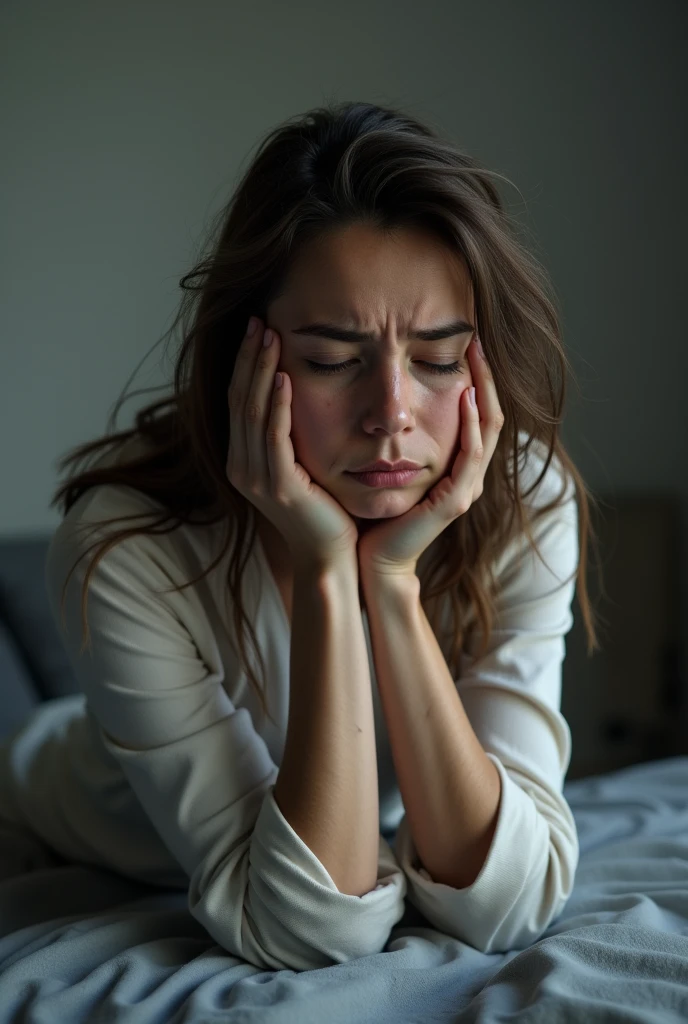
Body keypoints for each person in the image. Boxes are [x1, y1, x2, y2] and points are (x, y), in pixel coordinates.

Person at [0, 100, 601, 972]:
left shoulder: (528, 503)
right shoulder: (125, 548)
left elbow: (510, 903)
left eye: (437, 359)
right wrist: (328, 570)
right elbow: (314, 930)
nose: (391, 415)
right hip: (46, 828)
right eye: (331, 359)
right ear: (248, 360)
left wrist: (390, 585)